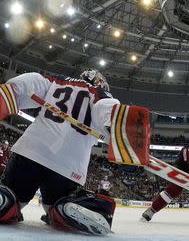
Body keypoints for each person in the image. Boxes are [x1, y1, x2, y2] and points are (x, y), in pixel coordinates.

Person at [0, 70, 149, 235]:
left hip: (32, 151)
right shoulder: (100, 94)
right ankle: (64, 208)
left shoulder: (58, 80)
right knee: (55, 203)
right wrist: (123, 132)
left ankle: (6, 200)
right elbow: (106, 110)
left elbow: (32, 82)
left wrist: (11, 91)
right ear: (100, 83)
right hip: (69, 165)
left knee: (14, 195)